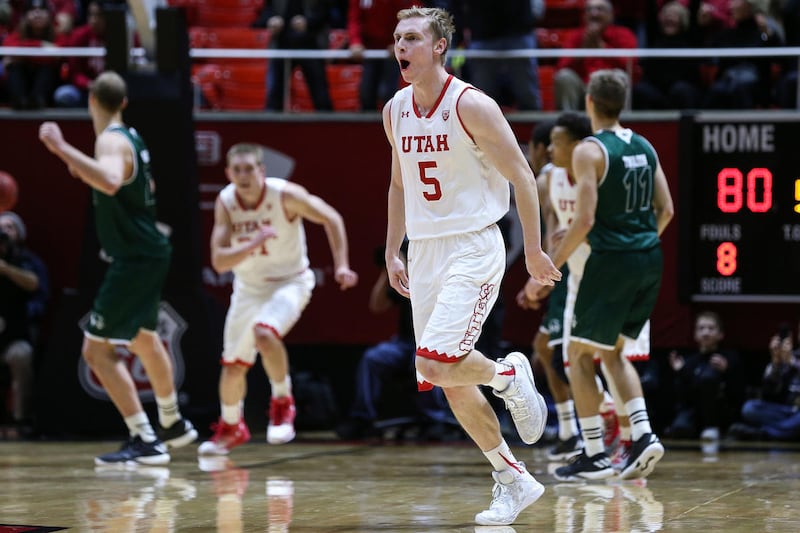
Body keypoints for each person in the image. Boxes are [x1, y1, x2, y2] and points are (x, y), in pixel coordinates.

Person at [383, 6, 561, 526]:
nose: (401, 47)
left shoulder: (471, 105)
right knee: (448, 378)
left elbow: (524, 176)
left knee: (434, 363)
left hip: (473, 246)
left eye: (412, 38)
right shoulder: (394, 109)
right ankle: (513, 479)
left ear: (439, 46)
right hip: (426, 250)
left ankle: (507, 373)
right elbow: (398, 185)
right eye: (397, 38)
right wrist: (394, 250)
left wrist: (532, 249)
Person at [38, 71, 198, 465]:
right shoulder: (132, 138)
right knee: (144, 338)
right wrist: (85, 168)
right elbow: (140, 186)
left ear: (92, 101)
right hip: (148, 252)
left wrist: (60, 148)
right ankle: (173, 423)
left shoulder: (109, 139)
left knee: (95, 353)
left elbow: (110, 181)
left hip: (133, 258)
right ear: (123, 102)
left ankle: (145, 439)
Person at [525, 69, 673, 481]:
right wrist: (640, 241)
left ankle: (593, 453)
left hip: (611, 262)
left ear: (589, 100)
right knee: (611, 352)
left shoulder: (590, 150)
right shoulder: (645, 145)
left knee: (576, 356)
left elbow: (585, 218)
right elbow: (667, 210)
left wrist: (549, 266)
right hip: (649, 259)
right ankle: (643, 435)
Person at [198, 142, 358, 456]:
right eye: (237, 170)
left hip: (290, 282)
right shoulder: (226, 201)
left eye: (249, 169)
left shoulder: (285, 195)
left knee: (264, 332)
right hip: (248, 288)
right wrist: (253, 243)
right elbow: (219, 261)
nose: (243, 176)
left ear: (261, 171)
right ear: (229, 173)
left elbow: (332, 218)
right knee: (232, 366)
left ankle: (283, 402)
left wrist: (341, 264)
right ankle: (231, 427)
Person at [335, 241, 453, 440]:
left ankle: (435, 419)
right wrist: (387, 268)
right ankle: (362, 418)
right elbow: (377, 305)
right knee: (373, 358)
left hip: (433, 341)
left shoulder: (436, 272)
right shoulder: (405, 279)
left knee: (420, 359)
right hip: (404, 342)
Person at [450, 0, 544, 111]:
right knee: (481, 100)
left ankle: (533, 126)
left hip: (518, 31)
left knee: (527, 95)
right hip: (483, 35)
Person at [666, 310, 745, 440]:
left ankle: (713, 427)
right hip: (695, 410)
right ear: (695, 334)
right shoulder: (689, 362)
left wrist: (728, 371)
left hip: (721, 410)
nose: (706, 332)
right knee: (680, 428)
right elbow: (683, 397)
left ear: (721, 334)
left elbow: (738, 392)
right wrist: (680, 372)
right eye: (701, 328)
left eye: (711, 328)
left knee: (708, 377)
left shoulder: (729, 357)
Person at [0, 211, 44, 429]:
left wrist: (6, 270)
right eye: (1, 227)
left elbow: (34, 283)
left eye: (10, 227)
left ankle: (21, 419)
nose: (4, 231)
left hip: (15, 335)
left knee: (20, 356)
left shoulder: (27, 260)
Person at [553, 0, 638, 110]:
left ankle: (619, 124)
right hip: (582, 88)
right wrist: (582, 50)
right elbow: (561, 67)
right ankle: (568, 123)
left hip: (608, 87)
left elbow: (630, 66)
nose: (594, 13)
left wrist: (602, 48)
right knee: (564, 76)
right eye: (589, 10)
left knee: (621, 76)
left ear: (611, 15)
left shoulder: (624, 34)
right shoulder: (575, 36)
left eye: (599, 9)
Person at [254, 0, 334, 111]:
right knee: (274, 95)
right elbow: (268, 9)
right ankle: (271, 126)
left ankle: (328, 126)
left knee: (320, 95)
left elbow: (325, 11)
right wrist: (271, 19)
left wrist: (308, 22)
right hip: (281, 46)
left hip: (311, 46)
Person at [728, 322, 800, 441]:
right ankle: (788, 431)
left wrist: (792, 362)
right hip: (787, 410)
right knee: (750, 408)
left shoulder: (791, 359)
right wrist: (775, 363)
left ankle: (765, 433)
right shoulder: (789, 355)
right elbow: (769, 391)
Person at [633, 1, 704, 110]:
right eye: (666, 14)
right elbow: (650, 12)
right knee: (641, 90)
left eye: (675, 14)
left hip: (682, 90)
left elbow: (694, 10)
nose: (669, 17)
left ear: (683, 20)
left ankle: (688, 127)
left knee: (681, 90)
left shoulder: (691, 38)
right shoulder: (654, 37)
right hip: (657, 91)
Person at [346, 0, 416, 112]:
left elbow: (412, 19)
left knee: (389, 94)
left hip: (394, 52)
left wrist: (400, 41)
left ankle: (393, 127)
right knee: (366, 93)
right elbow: (355, 18)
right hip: (370, 51)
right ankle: (368, 129)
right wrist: (355, 42)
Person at [3, 0, 67, 109]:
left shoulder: (57, 34)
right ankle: (19, 101)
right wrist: (41, 45)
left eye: (42, 10)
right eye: (32, 11)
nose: (37, 14)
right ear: (25, 16)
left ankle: (38, 100)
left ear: (49, 15)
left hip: (47, 84)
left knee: (47, 69)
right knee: (14, 68)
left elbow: (59, 53)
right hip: (23, 81)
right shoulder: (18, 32)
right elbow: (8, 47)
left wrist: (23, 56)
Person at [53, 0, 107, 108]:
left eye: (99, 15)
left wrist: (108, 85)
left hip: (111, 89)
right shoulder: (79, 35)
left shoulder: (121, 35)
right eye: (91, 14)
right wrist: (90, 84)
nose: (94, 20)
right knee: (63, 95)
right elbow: (74, 73)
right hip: (85, 89)